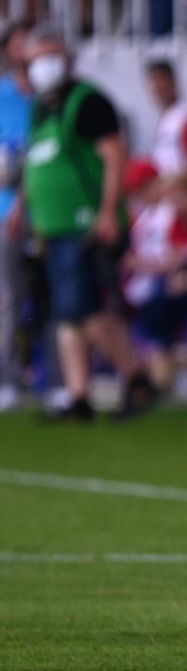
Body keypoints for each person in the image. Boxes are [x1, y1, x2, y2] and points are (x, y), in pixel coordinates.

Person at [19, 28, 156, 420]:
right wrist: (25, 214)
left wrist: (107, 212)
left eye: (50, 54)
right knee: (69, 312)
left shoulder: (88, 102)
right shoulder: (42, 107)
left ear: (68, 59)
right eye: (37, 56)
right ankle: (78, 395)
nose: (43, 64)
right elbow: (39, 164)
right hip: (55, 227)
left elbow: (114, 157)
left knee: (88, 309)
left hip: (88, 224)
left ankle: (134, 376)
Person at [0, 20, 34, 409]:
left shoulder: (45, 98)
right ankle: (9, 377)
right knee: (10, 298)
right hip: (8, 211)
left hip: (46, 212)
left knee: (49, 298)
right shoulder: (4, 96)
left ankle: (55, 380)